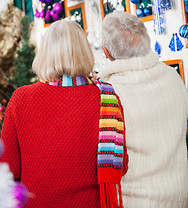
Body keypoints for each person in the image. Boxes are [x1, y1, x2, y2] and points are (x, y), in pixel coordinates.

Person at [0, 19, 128, 208]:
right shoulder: (106, 98)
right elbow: (120, 166)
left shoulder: (21, 99)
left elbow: (8, 169)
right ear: (84, 52)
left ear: (44, 53)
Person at [99, 10, 188, 208]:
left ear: (106, 51)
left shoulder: (109, 93)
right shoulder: (173, 77)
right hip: (180, 194)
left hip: (137, 200)